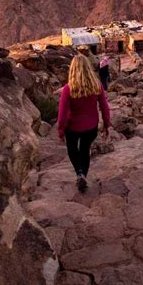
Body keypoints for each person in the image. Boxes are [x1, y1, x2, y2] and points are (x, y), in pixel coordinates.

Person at [57, 54, 111, 192]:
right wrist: (106, 125)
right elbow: (105, 107)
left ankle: (79, 173)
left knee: (72, 150)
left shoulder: (68, 89)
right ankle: (83, 176)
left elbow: (62, 114)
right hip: (91, 127)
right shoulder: (97, 85)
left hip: (73, 128)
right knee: (85, 150)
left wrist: (61, 131)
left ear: (73, 69)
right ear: (88, 68)